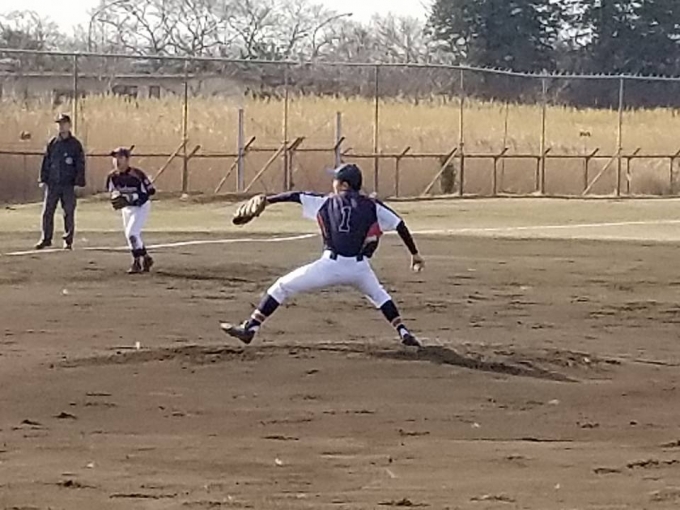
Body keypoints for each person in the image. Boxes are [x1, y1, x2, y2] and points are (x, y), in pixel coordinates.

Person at [221, 163, 425, 347]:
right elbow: (400, 224)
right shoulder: (372, 205)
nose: (333, 183)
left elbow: (296, 196)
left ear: (344, 185)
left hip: (329, 266)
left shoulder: (325, 202)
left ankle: (251, 328)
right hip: (359, 269)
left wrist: (269, 200)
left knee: (282, 287)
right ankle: (403, 331)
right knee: (380, 296)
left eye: (336, 179)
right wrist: (414, 254)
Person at [36, 114, 86, 250]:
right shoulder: (53, 143)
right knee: (47, 212)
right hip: (53, 184)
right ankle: (46, 238)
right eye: (59, 124)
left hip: (68, 184)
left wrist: (79, 182)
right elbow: (46, 161)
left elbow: (80, 164)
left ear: (69, 125)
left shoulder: (75, 145)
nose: (61, 126)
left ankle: (68, 240)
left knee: (68, 212)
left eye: (63, 124)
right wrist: (43, 179)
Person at [105, 147, 156, 274]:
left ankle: (136, 262)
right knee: (132, 236)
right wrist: (116, 197)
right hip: (126, 208)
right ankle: (146, 258)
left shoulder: (137, 174)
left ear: (127, 159)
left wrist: (132, 197)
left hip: (140, 207)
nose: (117, 161)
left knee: (131, 233)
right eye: (115, 158)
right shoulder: (112, 177)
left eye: (120, 157)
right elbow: (112, 191)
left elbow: (150, 191)